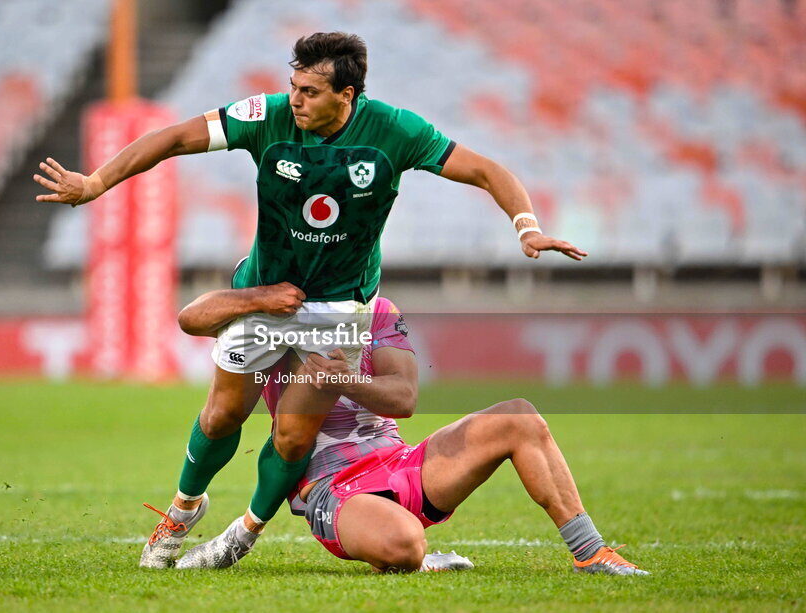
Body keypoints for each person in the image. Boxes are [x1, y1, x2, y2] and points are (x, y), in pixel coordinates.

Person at [33, 32, 587, 570]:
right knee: (225, 412)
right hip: (263, 291)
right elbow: (175, 138)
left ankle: (242, 534)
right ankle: (182, 510)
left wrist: (526, 227)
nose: (294, 99)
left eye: (310, 91)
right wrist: (97, 182)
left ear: (347, 96)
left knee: (295, 434)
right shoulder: (266, 116)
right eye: (293, 85)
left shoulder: (394, 131)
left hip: (339, 307)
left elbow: (488, 170)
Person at [170, 284, 648, 575]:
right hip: (329, 486)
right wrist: (256, 295)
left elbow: (405, 398)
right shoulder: (265, 310)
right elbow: (191, 317)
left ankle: (591, 552)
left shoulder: (374, 309)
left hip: (398, 462)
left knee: (517, 416)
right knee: (403, 545)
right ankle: (418, 557)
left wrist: (345, 381)